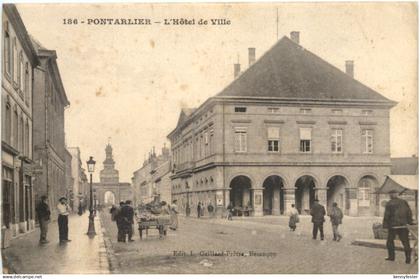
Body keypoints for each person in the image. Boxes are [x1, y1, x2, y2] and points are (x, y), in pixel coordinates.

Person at [383, 189, 413, 264]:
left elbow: (387, 215)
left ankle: (391, 257)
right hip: (403, 225)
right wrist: (409, 222)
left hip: (393, 226)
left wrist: (385, 226)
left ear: (392, 195)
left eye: (390, 194)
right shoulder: (404, 202)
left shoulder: (389, 203)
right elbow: (409, 213)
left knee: (390, 241)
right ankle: (408, 258)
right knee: (405, 242)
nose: (390, 195)